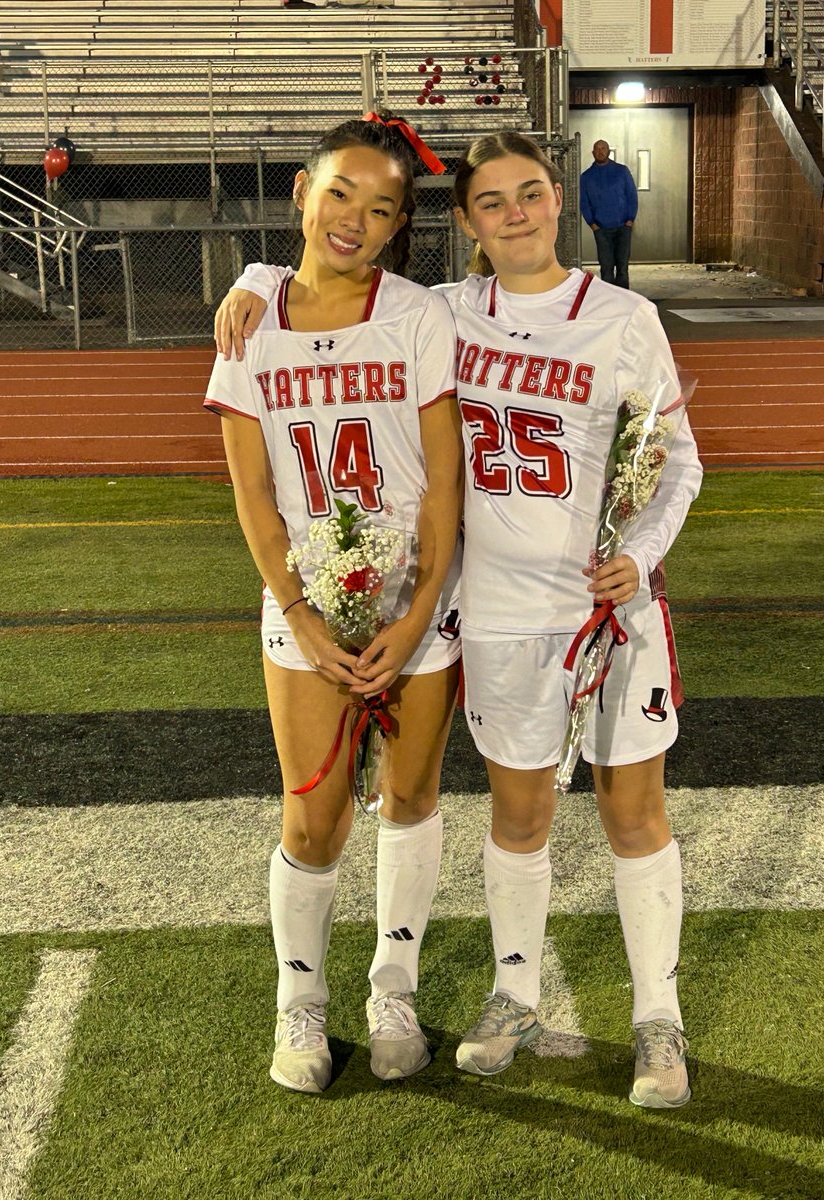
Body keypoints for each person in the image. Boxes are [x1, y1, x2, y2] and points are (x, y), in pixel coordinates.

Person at [215, 131, 703, 1110]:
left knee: (629, 813)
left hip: (594, 610)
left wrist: (636, 559)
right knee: (514, 819)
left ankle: (659, 1020)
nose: (514, 213)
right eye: (492, 202)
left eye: (530, 194)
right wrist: (255, 271)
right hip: (496, 612)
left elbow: (674, 458)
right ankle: (506, 994)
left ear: (558, 198)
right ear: (467, 223)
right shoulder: (442, 311)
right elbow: (320, 273)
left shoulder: (621, 317)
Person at [205, 112, 463, 1095]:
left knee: (410, 798)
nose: (356, 217)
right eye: (340, 193)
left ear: (400, 226)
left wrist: (417, 608)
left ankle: (390, 987)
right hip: (302, 602)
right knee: (313, 819)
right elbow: (254, 495)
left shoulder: (417, 316)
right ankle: (299, 1003)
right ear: (302, 197)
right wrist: (306, 620)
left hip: (414, 603)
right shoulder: (252, 318)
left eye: (383, 206)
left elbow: (443, 482)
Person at [579, 139, 638, 289]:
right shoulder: (586, 177)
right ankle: (608, 304)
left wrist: (630, 219)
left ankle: (624, 301)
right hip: (601, 229)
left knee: (623, 268)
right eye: (597, 149)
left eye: (603, 148)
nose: (600, 151)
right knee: (606, 268)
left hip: (623, 227)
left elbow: (631, 196)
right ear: (593, 153)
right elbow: (584, 202)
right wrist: (592, 224)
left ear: (609, 151)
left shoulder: (622, 171)